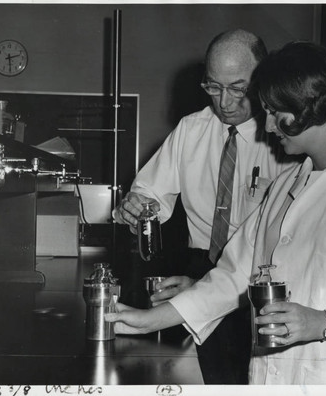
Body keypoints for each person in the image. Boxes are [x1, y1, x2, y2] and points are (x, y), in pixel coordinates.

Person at [107, 41, 326, 385]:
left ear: (310, 104)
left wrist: (323, 323)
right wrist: (150, 320)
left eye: (273, 112)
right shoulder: (284, 189)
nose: (266, 127)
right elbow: (233, 275)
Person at [113, 29, 286, 384]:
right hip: (199, 267)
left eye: (238, 88)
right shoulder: (191, 130)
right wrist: (136, 208)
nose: (224, 102)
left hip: (264, 277)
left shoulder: (284, 137)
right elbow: (150, 196)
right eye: (213, 87)